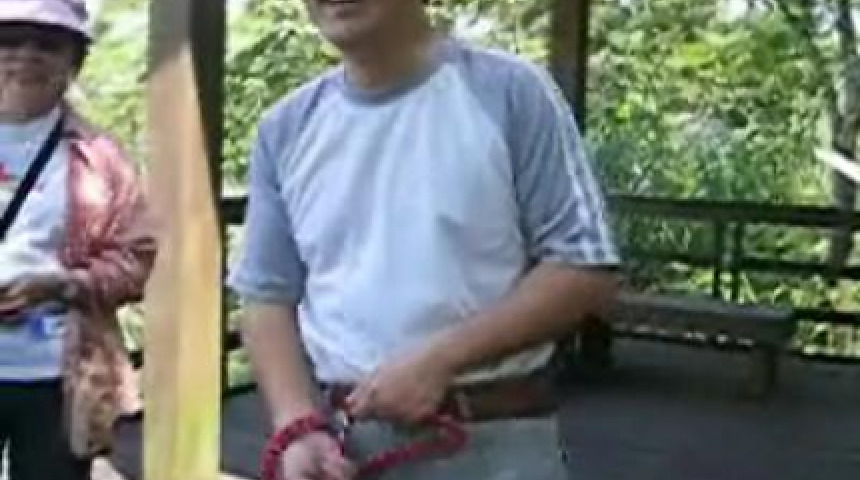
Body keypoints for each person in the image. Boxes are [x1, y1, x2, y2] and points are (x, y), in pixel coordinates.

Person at [228, 0, 619, 478]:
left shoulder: (510, 91)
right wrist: (297, 424)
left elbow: (583, 267)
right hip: (344, 452)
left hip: (497, 438)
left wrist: (440, 360)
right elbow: (266, 296)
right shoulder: (286, 129)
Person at [0, 1, 157, 479]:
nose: (27, 55)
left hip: (57, 377)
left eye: (48, 44)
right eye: (9, 40)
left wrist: (65, 285)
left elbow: (138, 258)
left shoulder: (101, 158)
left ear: (74, 61)